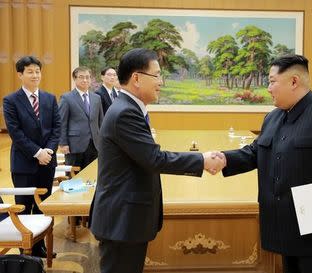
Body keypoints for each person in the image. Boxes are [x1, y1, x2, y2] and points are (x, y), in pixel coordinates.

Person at [215, 55, 312, 273]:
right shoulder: (273, 117)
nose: (268, 88)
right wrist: (223, 159)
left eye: (271, 81)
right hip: (287, 228)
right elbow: (255, 152)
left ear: (294, 81)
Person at [88, 48, 224, 273]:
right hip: (122, 219)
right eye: (157, 75)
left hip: (126, 217)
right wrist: (202, 159)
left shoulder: (129, 108)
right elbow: (154, 158)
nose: (161, 82)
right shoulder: (125, 113)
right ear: (137, 78)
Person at [3, 55, 60, 258]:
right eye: (30, 71)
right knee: (25, 207)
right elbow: (16, 133)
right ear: (20, 75)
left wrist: (49, 152)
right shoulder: (10, 100)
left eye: (37, 71)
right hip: (24, 164)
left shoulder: (49, 98)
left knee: (43, 206)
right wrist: (38, 153)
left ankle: (40, 247)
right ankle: (26, 255)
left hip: (47, 162)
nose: (35, 75)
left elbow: (56, 128)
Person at [59, 67, 103, 169]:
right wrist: (63, 143)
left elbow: (101, 121)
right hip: (74, 145)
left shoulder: (97, 98)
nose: (85, 80)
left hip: (95, 144)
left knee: (92, 176)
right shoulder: (66, 98)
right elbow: (61, 122)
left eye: (87, 77)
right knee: (75, 179)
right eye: (81, 77)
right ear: (74, 79)